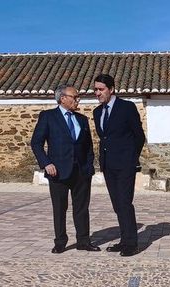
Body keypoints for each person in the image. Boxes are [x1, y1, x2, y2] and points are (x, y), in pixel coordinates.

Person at [30, 83, 100, 253]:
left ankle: (83, 241)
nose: (78, 100)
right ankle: (60, 241)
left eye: (78, 97)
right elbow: (36, 143)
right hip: (58, 172)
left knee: (82, 208)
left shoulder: (82, 119)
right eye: (75, 97)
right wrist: (46, 163)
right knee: (60, 208)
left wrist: (89, 167)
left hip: (81, 172)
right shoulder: (48, 117)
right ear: (63, 99)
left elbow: (88, 147)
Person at [92, 74, 146, 257]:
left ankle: (132, 244)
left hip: (125, 165)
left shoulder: (127, 108)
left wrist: (131, 159)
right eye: (96, 90)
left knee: (124, 202)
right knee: (117, 204)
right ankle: (124, 240)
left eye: (101, 89)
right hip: (108, 165)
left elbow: (139, 136)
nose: (98, 93)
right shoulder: (97, 112)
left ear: (111, 89)